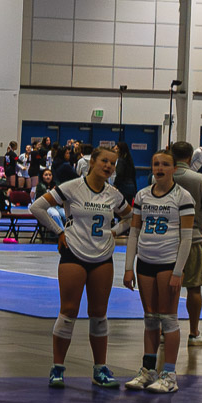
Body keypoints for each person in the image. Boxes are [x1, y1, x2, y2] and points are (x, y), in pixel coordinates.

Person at [30, 143, 128, 390]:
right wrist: (59, 231)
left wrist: (115, 231)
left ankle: (100, 369)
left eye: (113, 163)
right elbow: (37, 207)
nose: (108, 166)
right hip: (74, 253)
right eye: (104, 161)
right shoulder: (71, 187)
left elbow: (130, 217)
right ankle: (57, 368)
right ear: (92, 161)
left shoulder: (114, 194)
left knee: (99, 313)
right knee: (69, 311)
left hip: (102, 257)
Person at [122, 150, 194, 393]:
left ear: (174, 169)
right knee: (150, 318)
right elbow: (133, 232)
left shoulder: (182, 196)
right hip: (145, 262)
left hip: (167, 263)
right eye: (156, 164)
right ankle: (148, 370)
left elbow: (187, 238)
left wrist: (178, 271)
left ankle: (169, 375)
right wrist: (128, 268)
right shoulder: (142, 195)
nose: (159, 168)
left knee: (168, 318)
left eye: (165, 164)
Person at [166, 141, 202, 348]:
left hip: (166, 240)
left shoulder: (159, 177)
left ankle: (164, 331)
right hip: (193, 239)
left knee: (168, 288)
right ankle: (194, 333)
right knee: (194, 288)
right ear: (189, 157)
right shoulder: (200, 179)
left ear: (171, 155)